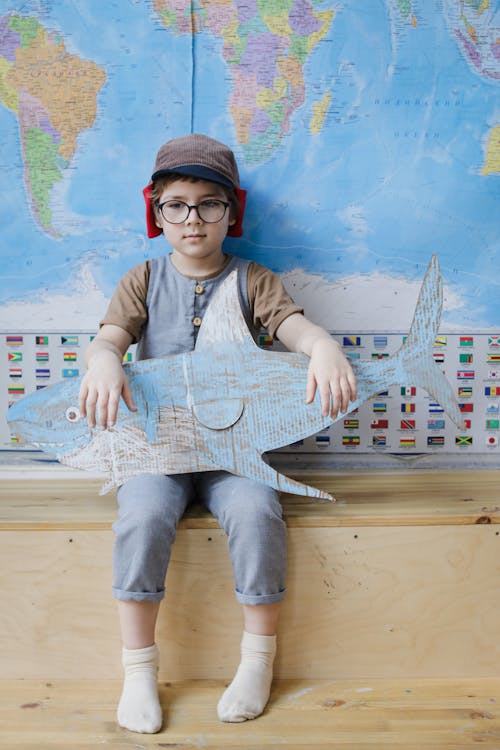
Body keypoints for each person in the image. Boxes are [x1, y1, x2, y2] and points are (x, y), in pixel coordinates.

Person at [78, 133, 357, 734]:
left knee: (258, 513)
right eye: (176, 204)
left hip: (234, 454)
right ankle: (138, 669)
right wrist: (103, 356)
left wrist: (323, 346)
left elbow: (295, 326)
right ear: (156, 212)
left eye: (210, 204)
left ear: (233, 211)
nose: (193, 219)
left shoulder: (254, 279)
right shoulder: (142, 279)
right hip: (160, 451)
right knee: (142, 517)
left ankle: (258, 660)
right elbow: (110, 337)